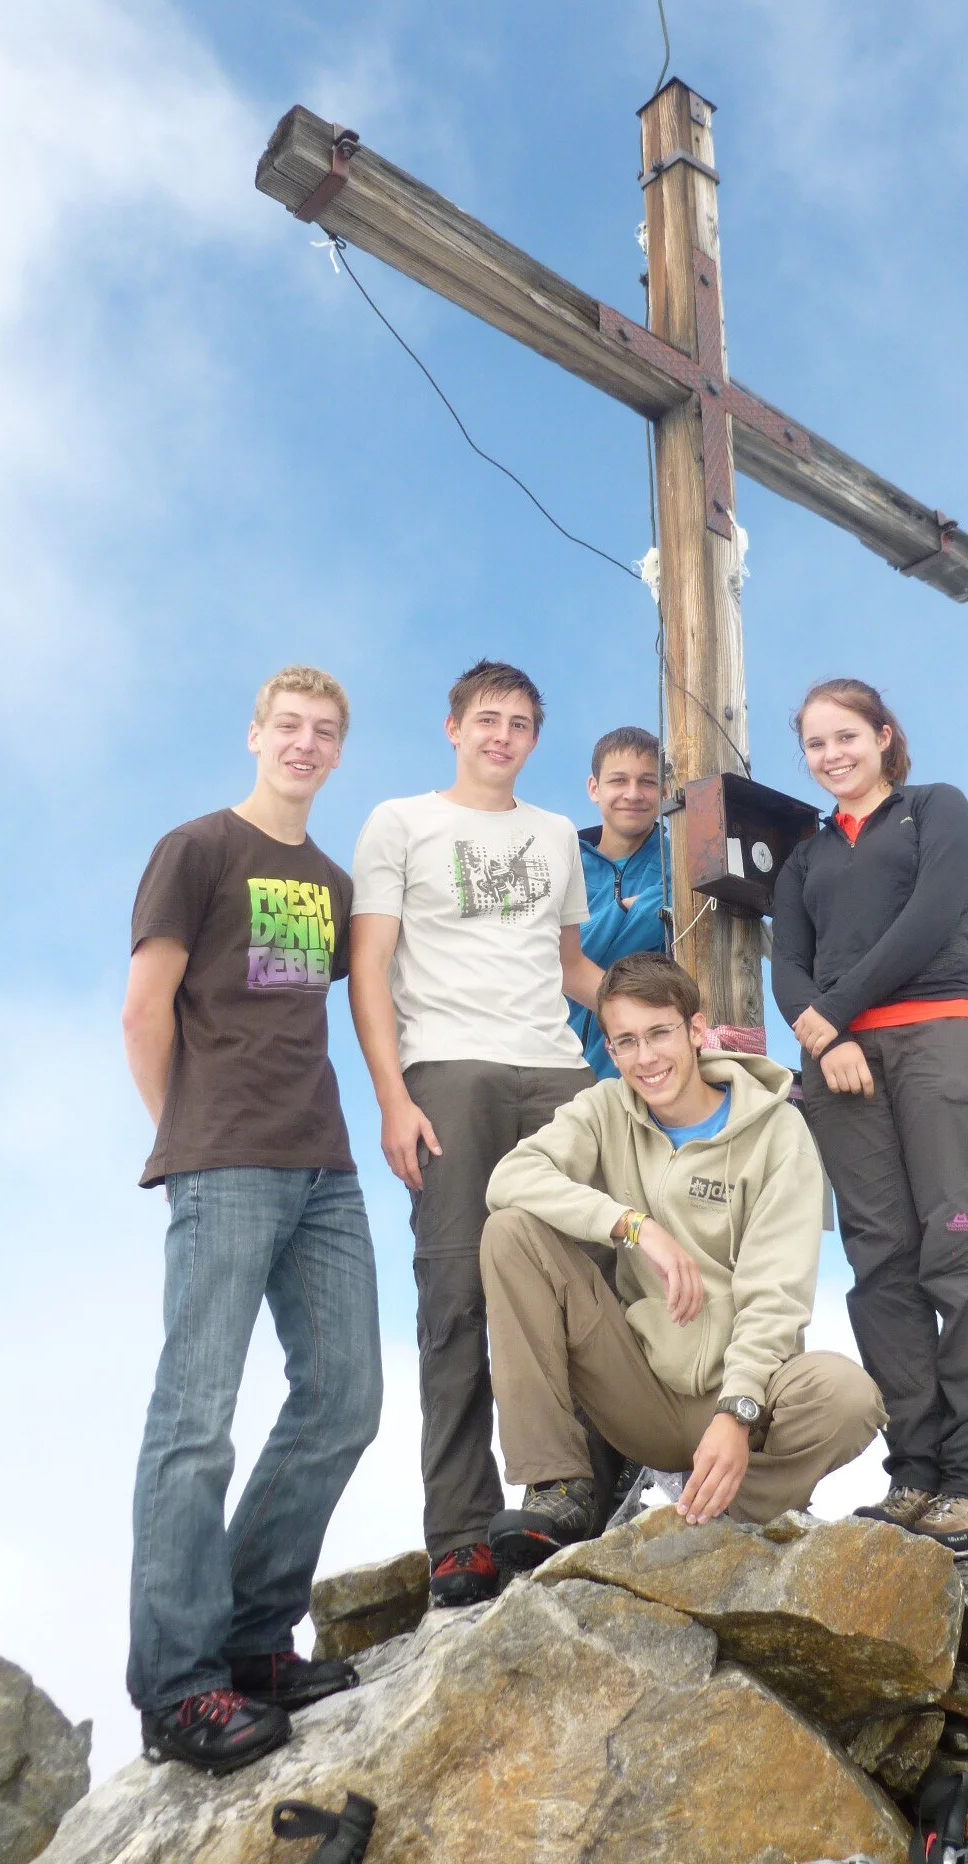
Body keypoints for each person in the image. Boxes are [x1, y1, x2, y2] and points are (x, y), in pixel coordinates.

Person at [122, 667, 382, 1776]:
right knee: (197, 1419)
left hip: (325, 1165)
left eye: (324, 731)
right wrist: (188, 1134)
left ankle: (253, 1640)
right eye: (289, 726)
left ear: (338, 751)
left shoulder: (330, 880)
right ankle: (179, 1685)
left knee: (347, 1398)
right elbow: (144, 1009)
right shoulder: (196, 849)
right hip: (223, 1161)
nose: (304, 743)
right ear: (255, 735)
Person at [480, 953, 885, 1564]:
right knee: (511, 1233)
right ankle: (558, 1487)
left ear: (695, 1031)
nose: (645, 1057)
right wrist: (633, 1226)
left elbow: (775, 1295)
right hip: (639, 1388)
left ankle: (725, 1512)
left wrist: (737, 1410)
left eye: (659, 1033)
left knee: (848, 1396)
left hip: (743, 1401)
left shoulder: (779, 1133)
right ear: (611, 1050)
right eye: (626, 1041)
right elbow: (510, 1178)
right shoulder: (605, 1109)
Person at [349, 660, 604, 1609]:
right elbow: (369, 967)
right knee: (456, 1296)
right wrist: (392, 1097)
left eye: (521, 724)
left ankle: (579, 1500)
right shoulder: (399, 822)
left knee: (586, 1284)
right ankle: (460, 1533)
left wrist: (661, 1017)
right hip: (449, 1073)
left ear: (535, 739)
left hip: (558, 1073)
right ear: (453, 727)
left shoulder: (555, 834)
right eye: (488, 719)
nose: (503, 736)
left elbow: (571, 967)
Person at [770, 678, 968, 1561]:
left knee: (959, 1246)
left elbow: (931, 916)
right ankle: (916, 1471)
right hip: (843, 1068)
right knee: (880, 1262)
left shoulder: (934, 809)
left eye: (847, 736)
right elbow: (788, 965)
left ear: (883, 736)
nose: (831, 755)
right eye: (815, 744)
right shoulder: (805, 858)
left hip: (938, 1039)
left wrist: (832, 1017)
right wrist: (828, 1038)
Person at [568, 725, 668, 1078]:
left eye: (647, 782)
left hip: (641, 1071)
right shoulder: (563, 865)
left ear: (664, 790)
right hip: (552, 1068)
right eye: (618, 780)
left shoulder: (680, 861)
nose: (633, 793)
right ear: (594, 788)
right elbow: (551, 957)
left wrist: (577, 946)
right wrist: (622, 910)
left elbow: (572, 950)